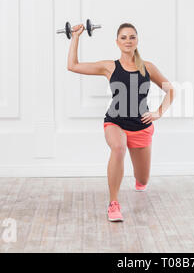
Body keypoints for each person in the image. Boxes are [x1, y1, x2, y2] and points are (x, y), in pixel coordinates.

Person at [67, 23, 176, 222]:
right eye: (123, 37)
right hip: (115, 122)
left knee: (143, 179)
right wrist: (75, 37)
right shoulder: (109, 66)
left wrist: (158, 113)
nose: (128, 41)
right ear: (117, 42)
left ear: (137, 41)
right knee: (118, 148)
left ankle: (140, 182)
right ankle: (114, 203)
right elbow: (73, 66)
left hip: (141, 126)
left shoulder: (148, 67)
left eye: (132, 37)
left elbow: (171, 90)